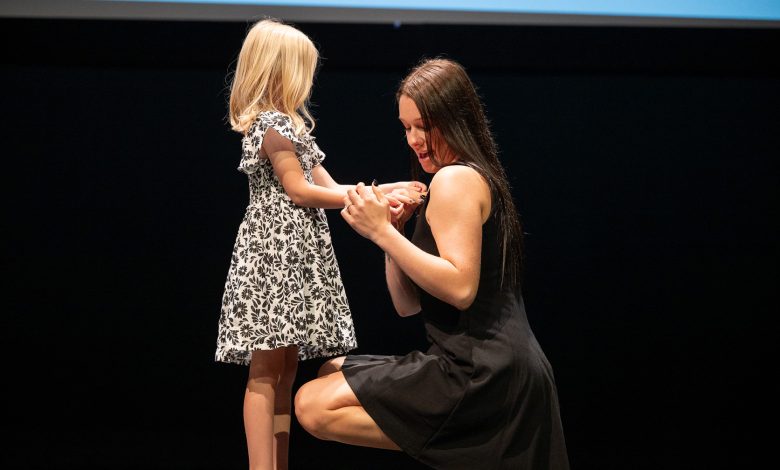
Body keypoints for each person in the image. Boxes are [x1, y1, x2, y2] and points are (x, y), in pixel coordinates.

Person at [294, 58, 569, 469]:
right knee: (330, 372)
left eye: (424, 125)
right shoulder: (460, 177)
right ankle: (464, 448)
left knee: (313, 405)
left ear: (455, 119)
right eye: (406, 128)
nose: (414, 139)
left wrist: (379, 232)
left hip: (484, 372)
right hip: (476, 363)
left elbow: (460, 289)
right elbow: (408, 306)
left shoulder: (456, 180)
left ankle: (464, 449)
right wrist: (394, 234)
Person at [214, 19, 426, 470]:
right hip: (274, 255)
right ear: (280, 70)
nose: (307, 80)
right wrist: (377, 195)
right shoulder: (271, 125)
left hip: (297, 255)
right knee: (266, 371)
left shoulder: (292, 126)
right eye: (301, 70)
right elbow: (301, 191)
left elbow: (331, 183)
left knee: (286, 371)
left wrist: (384, 189)